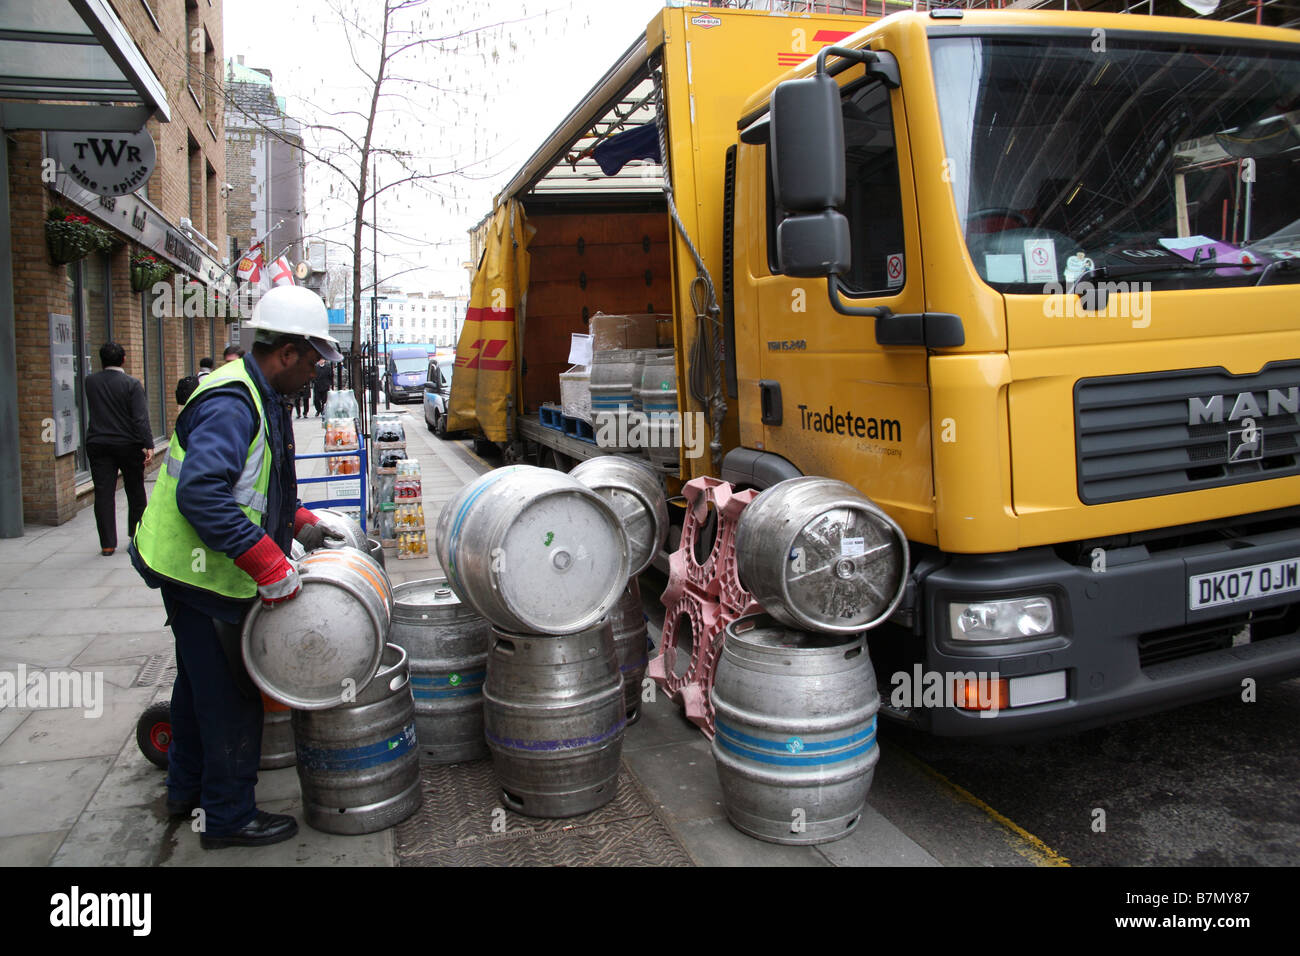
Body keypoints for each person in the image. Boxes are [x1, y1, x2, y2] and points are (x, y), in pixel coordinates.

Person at [130, 286, 345, 850]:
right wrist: (270, 565)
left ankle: (186, 789)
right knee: (231, 697)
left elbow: (255, 482)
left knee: (197, 687)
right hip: (199, 575)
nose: (317, 371)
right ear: (289, 351)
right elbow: (203, 494)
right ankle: (226, 817)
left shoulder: (259, 392)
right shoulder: (233, 401)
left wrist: (297, 521)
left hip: (186, 569)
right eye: (315, 359)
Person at [84, 342, 154, 556]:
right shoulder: (131, 384)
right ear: (124, 359)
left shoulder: (90, 382)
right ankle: (136, 536)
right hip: (128, 444)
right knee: (135, 490)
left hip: (98, 443)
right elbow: (140, 418)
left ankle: (107, 544)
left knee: (103, 492)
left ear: (101, 360)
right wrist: (148, 444)